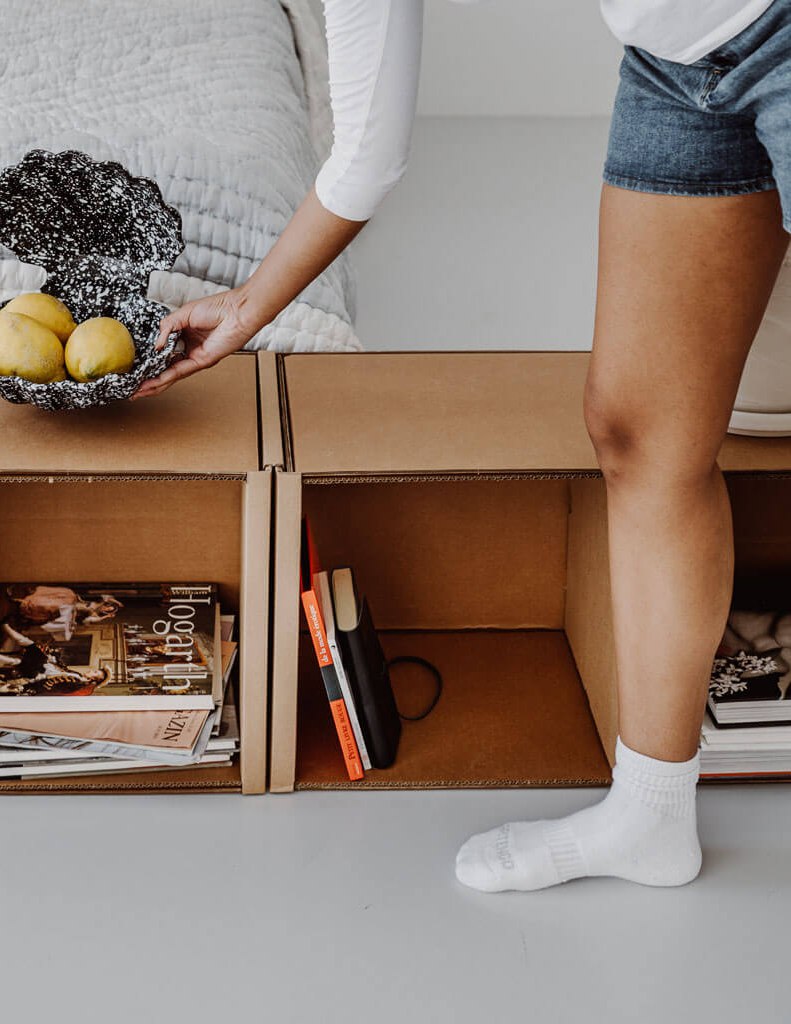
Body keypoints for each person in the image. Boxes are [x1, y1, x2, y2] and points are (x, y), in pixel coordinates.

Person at [136, 0, 791, 892]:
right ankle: (652, 813)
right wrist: (246, 309)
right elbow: (368, 152)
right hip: (676, 64)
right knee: (640, 432)